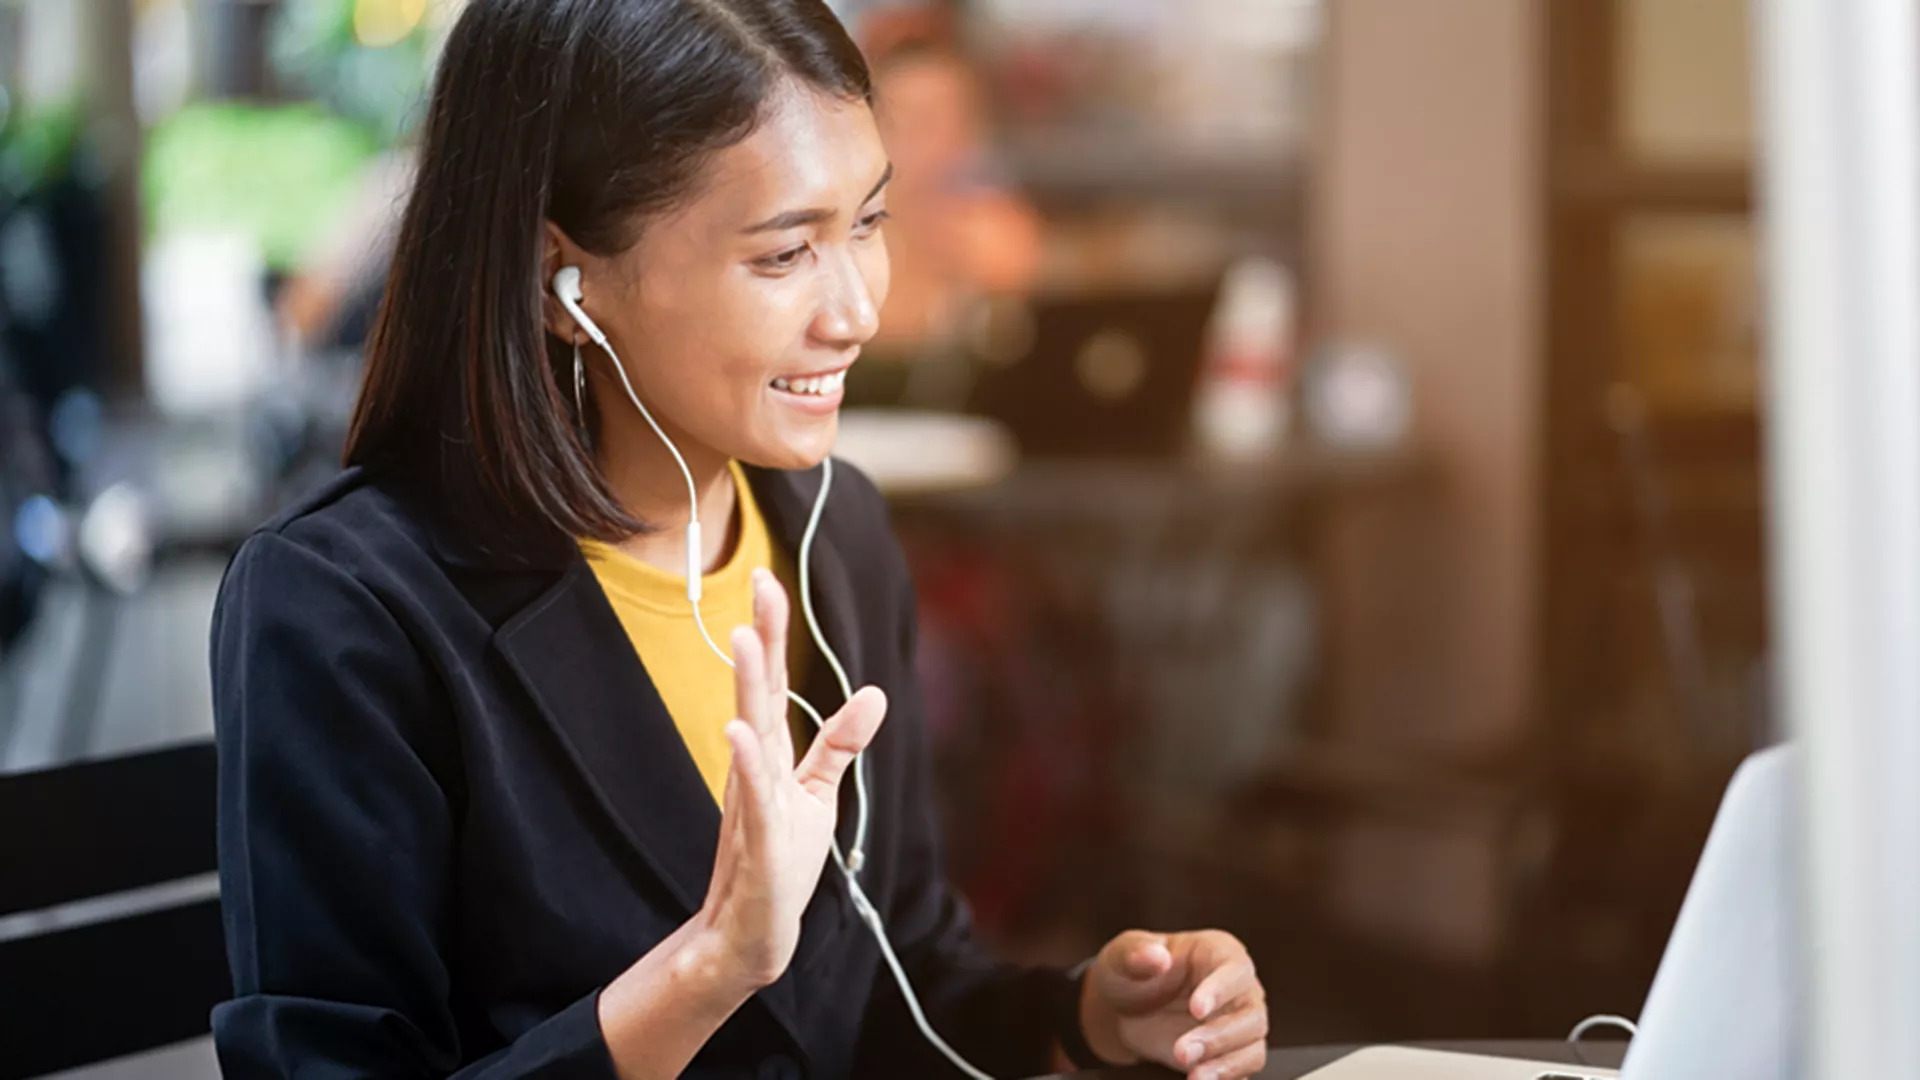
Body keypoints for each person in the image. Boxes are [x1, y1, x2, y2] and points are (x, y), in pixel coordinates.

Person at [209, 3, 1268, 1078]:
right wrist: (708, 972)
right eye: (784, 253)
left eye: (867, 223)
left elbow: (902, 989)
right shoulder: (347, 608)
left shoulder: (831, 531)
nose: (854, 309)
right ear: (560, 283)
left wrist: (1083, 1017)